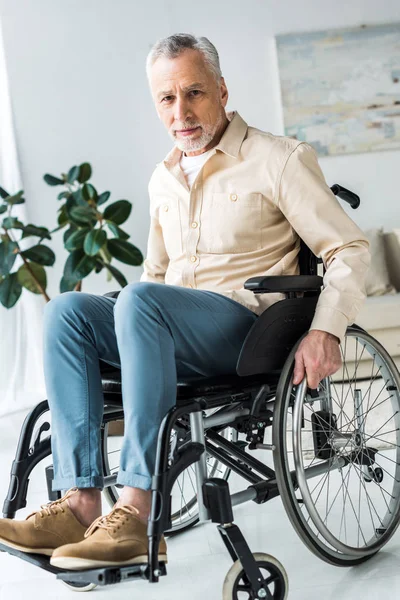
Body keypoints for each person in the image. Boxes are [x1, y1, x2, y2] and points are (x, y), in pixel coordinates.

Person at [0, 33, 370, 570]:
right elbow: (151, 277)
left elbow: (349, 248)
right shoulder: (163, 178)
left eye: (194, 93)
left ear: (221, 90)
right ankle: (81, 502)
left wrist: (327, 329)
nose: (181, 112)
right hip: (167, 326)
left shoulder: (279, 159)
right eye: (166, 99)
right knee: (67, 312)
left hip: (246, 331)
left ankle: (135, 507)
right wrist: (125, 317)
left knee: (142, 302)